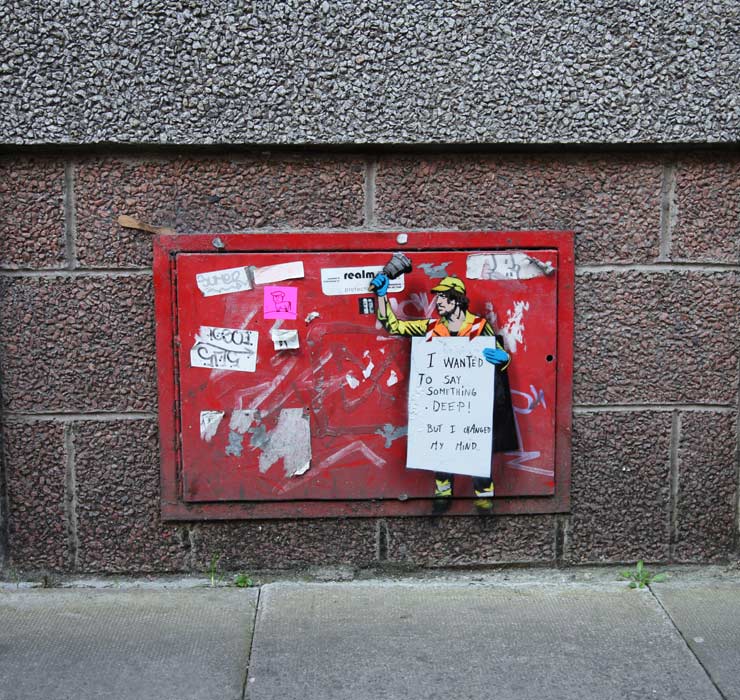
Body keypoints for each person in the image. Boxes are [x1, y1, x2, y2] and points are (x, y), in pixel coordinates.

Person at [371, 273, 518, 514]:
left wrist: (503, 358)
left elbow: (500, 355)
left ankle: (483, 494)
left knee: (475, 446)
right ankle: (443, 492)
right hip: (442, 401)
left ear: (456, 300)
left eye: (443, 297)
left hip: (472, 402)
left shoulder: (479, 326)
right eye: (437, 297)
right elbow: (394, 326)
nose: (438, 302)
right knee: (441, 445)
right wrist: (381, 296)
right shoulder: (431, 328)